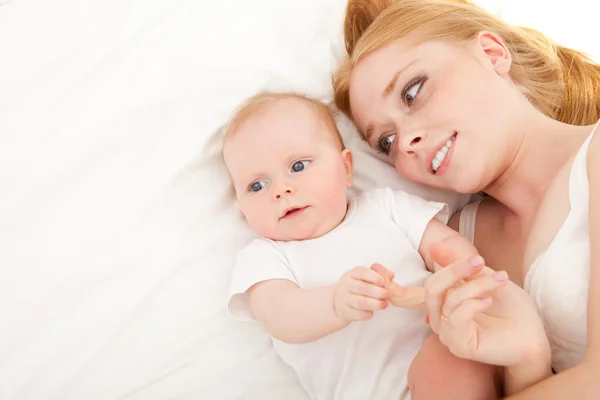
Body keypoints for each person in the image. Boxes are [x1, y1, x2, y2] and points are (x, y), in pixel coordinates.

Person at [332, 0, 600, 397]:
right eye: (386, 141)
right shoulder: (456, 244)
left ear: (492, 54)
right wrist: (527, 362)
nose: (406, 141)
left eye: (413, 91)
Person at [223, 91, 502, 399]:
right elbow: (278, 315)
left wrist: (463, 274)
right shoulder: (266, 256)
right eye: (257, 186)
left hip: (450, 350)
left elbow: (445, 244)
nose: (281, 190)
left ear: (346, 169)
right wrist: (335, 304)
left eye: (298, 166)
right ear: (243, 210)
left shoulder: (385, 206)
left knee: (467, 352)